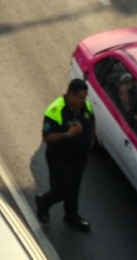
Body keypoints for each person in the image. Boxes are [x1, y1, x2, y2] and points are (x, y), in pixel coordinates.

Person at [35, 78, 95, 231]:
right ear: (70, 95)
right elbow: (47, 137)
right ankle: (43, 202)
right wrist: (69, 134)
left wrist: (90, 143)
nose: (84, 100)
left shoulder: (85, 106)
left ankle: (71, 215)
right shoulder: (56, 110)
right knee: (61, 190)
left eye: (85, 97)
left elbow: (91, 123)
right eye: (81, 97)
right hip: (60, 158)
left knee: (74, 188)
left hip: (80, 158)